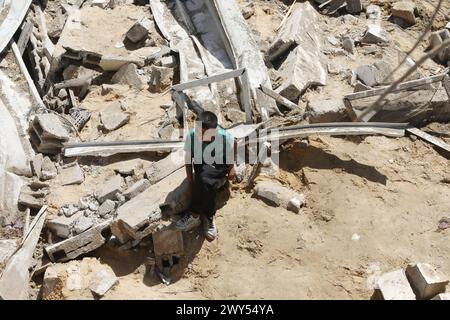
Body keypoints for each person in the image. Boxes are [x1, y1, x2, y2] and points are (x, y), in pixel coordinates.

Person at [175, 111, 236, 241]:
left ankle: (196, 214)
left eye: (203, 133)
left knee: (205, 179)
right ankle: (207, 215)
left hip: (219, 164)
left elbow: (233, 147)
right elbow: (188, 159)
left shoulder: (224, 136)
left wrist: (231, 168)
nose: (199, 135)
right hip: (202, 163)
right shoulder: (192, 136)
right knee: (204, 180)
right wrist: (190, 183)